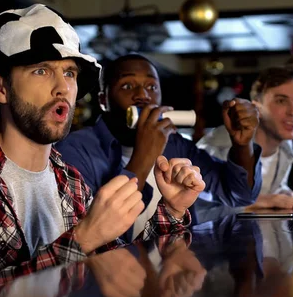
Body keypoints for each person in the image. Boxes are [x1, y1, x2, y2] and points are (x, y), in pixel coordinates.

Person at [0, 4, 204, 297]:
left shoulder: (69, 180)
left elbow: (118, 268)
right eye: (41, 70)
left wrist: (172, 211)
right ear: (0, 88)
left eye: (70, 73)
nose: (62, 87)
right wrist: (83, 239)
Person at [55, 54, 262, 234]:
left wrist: (242, 145)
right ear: (103, 100)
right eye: (127, 86)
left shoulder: (174, 144)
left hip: (177, 270)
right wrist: (145, 154)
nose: (143, 96)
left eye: (151, 87)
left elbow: (240, 195)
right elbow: (94, 236)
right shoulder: (74, 150)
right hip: (112, 273)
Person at [197, 66, 293, 210]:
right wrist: (266, 201)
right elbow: (198, 206)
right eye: (281, 101)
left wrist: (283, 193)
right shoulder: (217, 146)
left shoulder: (286, 148)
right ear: (257, 107)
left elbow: (270, 189)